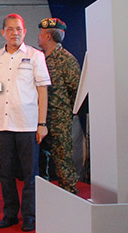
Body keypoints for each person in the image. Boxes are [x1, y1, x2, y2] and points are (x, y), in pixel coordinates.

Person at [0, 13, 51, 232]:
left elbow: (42, 91)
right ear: (3, 32)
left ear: (24, 32)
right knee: (5, 173)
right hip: (2, 126)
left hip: (27, 125)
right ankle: (10, 214)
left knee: (30, 173)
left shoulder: (35, 56)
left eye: (19, 29)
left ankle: (30, 216)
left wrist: (42, 124)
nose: (15, 33)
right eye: (11, 29)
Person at [36, 17, 80, 194]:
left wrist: (65, 112)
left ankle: (69, 195)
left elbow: (75, 90)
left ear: (47, 36)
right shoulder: (37, 58)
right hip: (38, 118)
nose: (38, 37)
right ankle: (44, 194)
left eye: (40, 34)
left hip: (58, 118)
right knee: (40, 160)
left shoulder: (66, 60)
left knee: (63, 160)